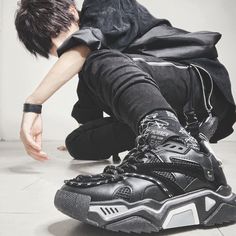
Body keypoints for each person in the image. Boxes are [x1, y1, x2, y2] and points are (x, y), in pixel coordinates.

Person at [15, 0, 236, 233]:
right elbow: (89, 112)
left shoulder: (102, 5)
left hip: (198, 88)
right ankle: (169, 138)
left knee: (93, 58)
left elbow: (83, 49)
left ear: (71, 11)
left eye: (56, 31)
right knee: (76, 143)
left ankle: (172, 147)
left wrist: (33, 104)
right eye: (47, 44)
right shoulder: (90, 71)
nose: (57, 44)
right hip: (170, 111)